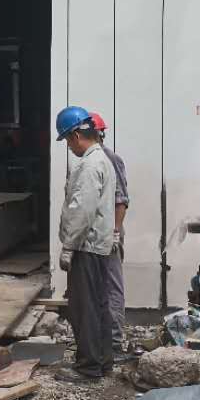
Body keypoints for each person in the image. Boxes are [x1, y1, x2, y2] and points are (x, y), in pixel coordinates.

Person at [55, 104, 117, 382]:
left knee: (84, 308)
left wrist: (68, 245)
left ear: (76, 136)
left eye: (68, 141)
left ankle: (88, 367)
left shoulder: (90, 165)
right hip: (98, 247)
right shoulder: (103, 160)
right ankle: (103, 362)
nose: (69, 147)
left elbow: (82, 209)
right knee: (99, 305)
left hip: (86, 247)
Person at [90, 112, 130, 355]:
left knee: (111, 285)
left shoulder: (110, 159)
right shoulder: (90, 160)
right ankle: (102, 338)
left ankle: (114, 342)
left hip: (109, 233)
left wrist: (115, 232)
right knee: (97, 287)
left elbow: (121, 200)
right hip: (95, 235)